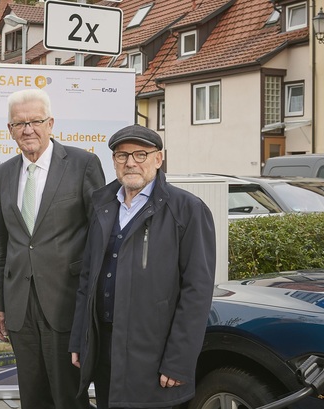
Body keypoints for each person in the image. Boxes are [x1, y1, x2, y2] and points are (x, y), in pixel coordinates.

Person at [69, 124, 216, 409]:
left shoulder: (187, 210)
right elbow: (87, 280)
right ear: (114, 161)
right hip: (105, 347)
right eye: (122, 156)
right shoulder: (102, 204)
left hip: (154, 352)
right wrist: (80, 339)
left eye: (140, 154)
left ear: (159, 159)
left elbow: (197, 292)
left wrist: (179, 361)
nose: (130, 163)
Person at [0, 88, 105, 409]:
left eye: (36, 121)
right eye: (19, 123)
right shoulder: (4, 173)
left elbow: (100, 239)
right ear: (10, 130)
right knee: (33, 396)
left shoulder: (83, 164)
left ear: (51, 123)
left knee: (69, 397)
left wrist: (92, 306)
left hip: (65, 305)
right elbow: (2, 246)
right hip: (20, 308)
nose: (28, 129)